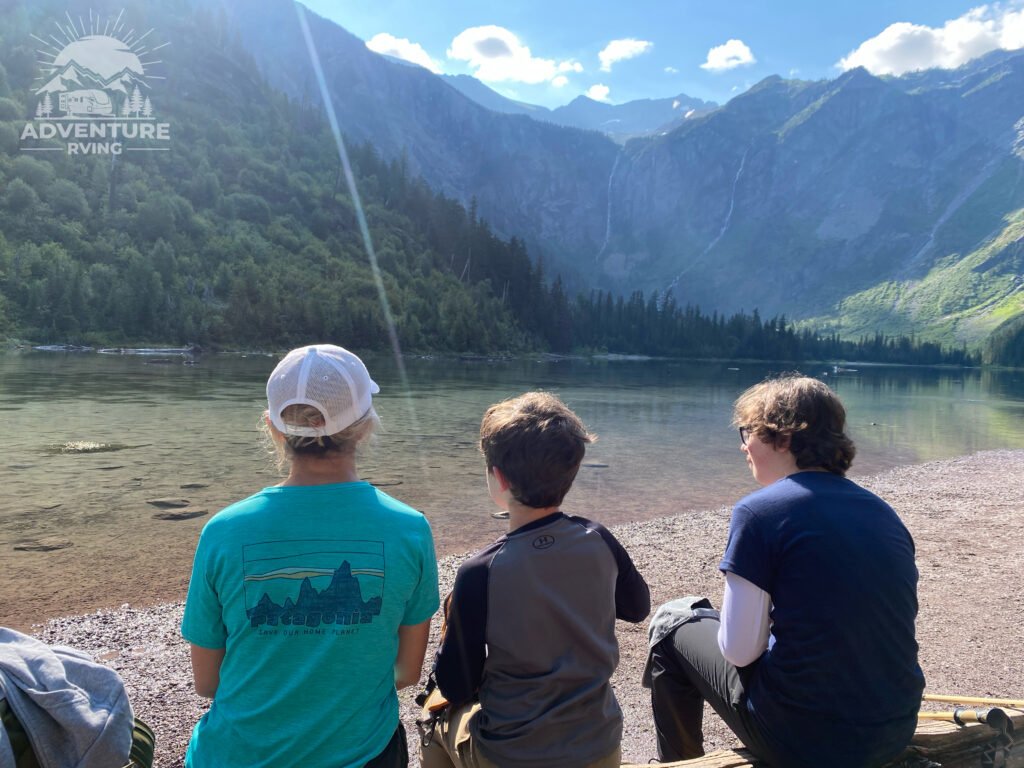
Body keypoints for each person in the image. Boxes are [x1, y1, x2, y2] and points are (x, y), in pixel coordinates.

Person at [181, 344, 440, 768]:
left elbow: (207, 683)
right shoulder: (409, 529)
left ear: (274, 429)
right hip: (362, 755)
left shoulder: (223, 532)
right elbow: (406, 674)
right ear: (363, 427)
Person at [647, 374, 925, 767]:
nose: (744, 446)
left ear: (784, 436)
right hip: (894, 727)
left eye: (749, 433)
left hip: (805, 740)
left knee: (673, 621)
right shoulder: (883, 513)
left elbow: (739, 651)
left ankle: (681, 762)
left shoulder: (760, 512)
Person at [420, 391, 651, 768]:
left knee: (435, 721)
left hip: (510, 756)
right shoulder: (599, 539)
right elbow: (637, 608)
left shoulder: (481, 572)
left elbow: (456, 685)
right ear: (571, 472)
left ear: (498, 478)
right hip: (600, 748)